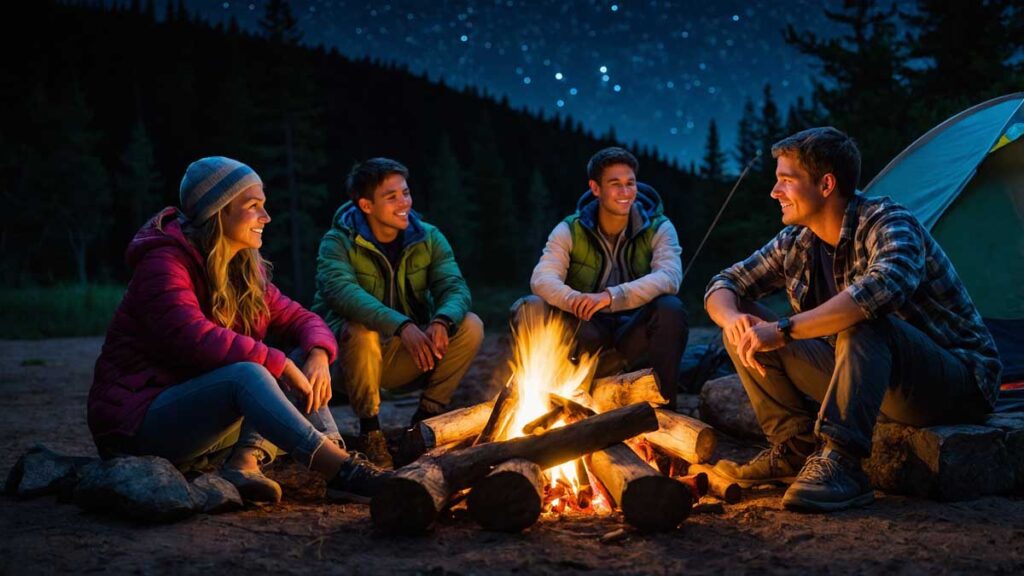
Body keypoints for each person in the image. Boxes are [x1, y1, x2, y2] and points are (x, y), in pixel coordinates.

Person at [705, 127, 1002, 511]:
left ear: (826, 184)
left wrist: (784, 330)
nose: (774, 192)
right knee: (743, 320)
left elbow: (880, 290)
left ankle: (843, 462)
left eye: (786, 181)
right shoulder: (798, 240)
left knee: (862, 320)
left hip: (951, 383)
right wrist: (733, 319)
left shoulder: (888, 222)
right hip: (867, 378)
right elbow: (724, 282)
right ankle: (795, 447)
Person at [88, 156, 388, 505]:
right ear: (219, 212)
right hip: (138, 425)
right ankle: (341, 470)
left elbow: (303, 319)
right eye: (254, 206)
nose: (266, 217)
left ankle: (262, 461)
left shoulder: (244, 269)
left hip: (201, 423)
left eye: (265, 206)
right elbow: (193, 338)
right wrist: (278, 363)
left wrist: (319, 354)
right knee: (250, 372)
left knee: (299, 355)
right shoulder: (163, 265)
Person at [313, 157, 483, 468]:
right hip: (347, 363)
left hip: (409, 354)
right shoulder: (337, 243)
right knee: (361, 331)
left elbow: (454, 287)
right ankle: (371, 433)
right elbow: (344, 294)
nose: (404, 202)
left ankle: (422, 424)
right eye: (391, 197)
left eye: (405, 193)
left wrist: (442, 320)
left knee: (470, 325)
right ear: (366, 205)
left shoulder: (428, 237)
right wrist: (401, 325)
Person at [517, 147, 688, 407]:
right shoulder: (570, 229)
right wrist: (574, 298)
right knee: (531, 305)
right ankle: (544, 402)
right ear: (595, 189)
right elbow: (541, 278)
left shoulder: (658, 227)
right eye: (615, 184)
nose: (626, 192)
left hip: (634, 331)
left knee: (670, 308)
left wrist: (610, 297)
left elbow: (669, 277)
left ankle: (665, 407)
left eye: (630, 183)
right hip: (587, 330)